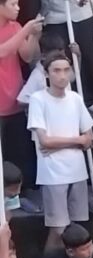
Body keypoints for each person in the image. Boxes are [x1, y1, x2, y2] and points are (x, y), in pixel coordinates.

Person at [28, 51, 93, 254]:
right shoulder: (38, 99)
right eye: (56, 70)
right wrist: (77, 141)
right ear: (47, 73)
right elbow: (45, 140)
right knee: (58, 230)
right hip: (53, 173)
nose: (62, 75)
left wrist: (63, 143)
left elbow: (89, 139)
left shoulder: (75, 98)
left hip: (78, 171)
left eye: (66, 70)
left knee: (78, 229)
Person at [0, 1, 42, 209]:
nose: (18, 8)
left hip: (15, 100)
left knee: (18, 152)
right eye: (13, 3)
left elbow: (26, 55)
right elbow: (2, 51)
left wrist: (33, 35)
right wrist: (26, 29)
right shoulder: (19, 28)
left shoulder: (15, 27)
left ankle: (17, 197)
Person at [42, 0, 93, 103]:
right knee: (61, 57)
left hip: (81, 13)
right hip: (55, 16)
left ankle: (88, 99)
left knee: (86, 56)